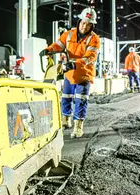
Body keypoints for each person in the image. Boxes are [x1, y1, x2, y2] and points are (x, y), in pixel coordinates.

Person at [40, 7, 100, 138]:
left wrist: (75, 63)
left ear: (92, 25)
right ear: (79, 21)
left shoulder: (94, 39)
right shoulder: (68, 34)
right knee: (66, 97)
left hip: (84, 74)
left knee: (80, 100)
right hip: (69, 73)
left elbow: (90, 56)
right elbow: (59, 45)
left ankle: (78, 126)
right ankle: (66, 120)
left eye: (89, 24)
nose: (85, 26)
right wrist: (48, 50)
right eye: (83, 22)